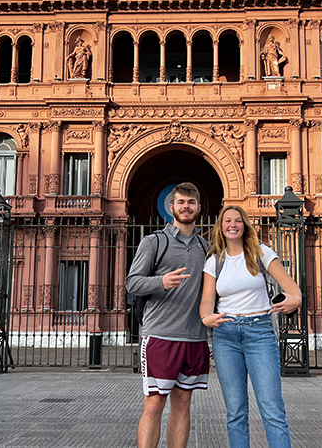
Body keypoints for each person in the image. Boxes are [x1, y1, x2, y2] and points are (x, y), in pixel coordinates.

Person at [200, 205, 301, 448]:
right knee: (235, 412)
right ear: (221, 227)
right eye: (227, 221)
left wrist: (295, 298)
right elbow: (206, 300)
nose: (232, 224)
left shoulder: (260, 252)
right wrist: (206, 318)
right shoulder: (214, 261)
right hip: (226, 335)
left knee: (272, 410)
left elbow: (291, 287)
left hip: (260, 333)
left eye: (237, 220)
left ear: (244, 225)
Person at [125, 182, 210, 448]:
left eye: (191, 203)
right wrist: (161, 282)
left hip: (195, 339)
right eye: (181, 202)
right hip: (160, 336)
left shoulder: (206, 247)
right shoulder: (154, 241)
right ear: (171, 207)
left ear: (199, 208)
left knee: (183, 405)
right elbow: (132, 283)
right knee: (154, 403)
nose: (186, 207)